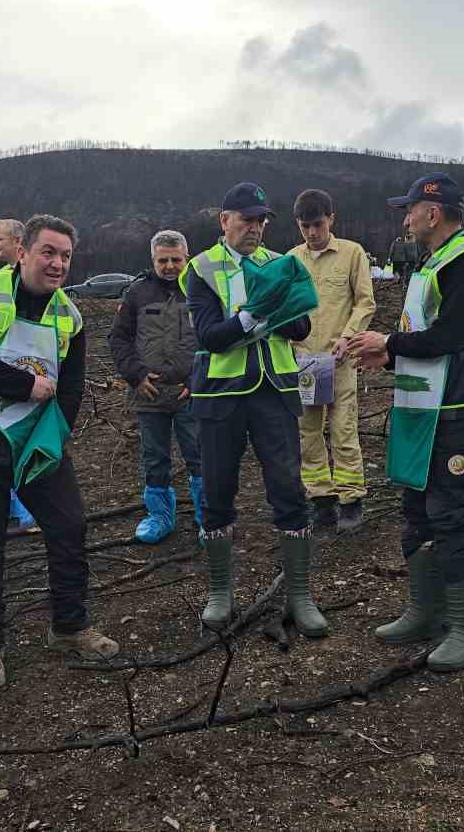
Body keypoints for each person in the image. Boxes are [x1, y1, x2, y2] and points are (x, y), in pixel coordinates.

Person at [0, 214, 119, 690]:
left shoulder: (71, 315)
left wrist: (57, 437)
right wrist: (26, 386)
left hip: (37, 444)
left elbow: (73, 386)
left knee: (68, 526)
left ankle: (69, 627)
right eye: (49, 252)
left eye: (65, 255)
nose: (58, 263)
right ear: (22, 251)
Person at [346, 173, 464, 672]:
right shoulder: (431, 261)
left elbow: (448, 336)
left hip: (455, 405)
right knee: (416, 504)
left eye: (409, 209)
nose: (405, 217)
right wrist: (388, 356)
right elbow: (422, 335)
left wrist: (386, 345)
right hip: (420, 403)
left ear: (431, 213)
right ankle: (426, 608)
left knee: (449, 511)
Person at [183, 182, 324, 637]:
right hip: (221, 394)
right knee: (218, 490)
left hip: (274, 391)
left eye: (262, 220)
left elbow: (301, 325)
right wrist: (256, 315)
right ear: (224, 220)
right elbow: (209, 335)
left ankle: (300, 596)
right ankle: (220, 591)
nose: (255, 228)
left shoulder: (279, 264)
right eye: (246, 219)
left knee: (288, 487)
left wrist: (274, 315)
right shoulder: (200, 268)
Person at [287, 189, 375, 531]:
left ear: (331, 219)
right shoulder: (292, 260)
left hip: (340, 361)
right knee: (307, 431)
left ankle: (351, 499)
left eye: (318, 224)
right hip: (305, 362)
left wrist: (348, 337)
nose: (312, 232)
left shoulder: (352, 254)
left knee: (343, 429)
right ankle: (321, 499)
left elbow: (365, 302)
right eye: (306, 226)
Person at [109, 230, 203, 543]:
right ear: (153, 260)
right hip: (149, 394)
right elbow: (119, 339)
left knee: (200, 455)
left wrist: (198, 378)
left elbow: (213, 337)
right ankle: (160, 517)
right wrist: (135, 375)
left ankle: (210, 517)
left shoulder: (199, 288)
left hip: (191, 392)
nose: (170, 266)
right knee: (154, 457)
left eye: (176, 259)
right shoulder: (136, 293)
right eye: (163, 260)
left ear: (186, 257)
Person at [0, 217, 39, 535]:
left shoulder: (33, 284)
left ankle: (28, 512)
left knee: (22, 446)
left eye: (0, 239)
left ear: (18, 244)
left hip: (29, 379)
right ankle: (10, 510)